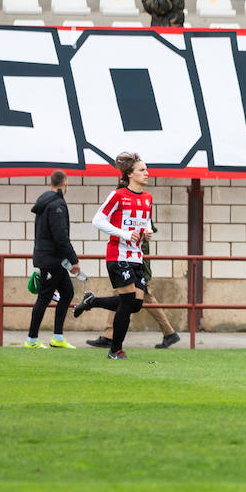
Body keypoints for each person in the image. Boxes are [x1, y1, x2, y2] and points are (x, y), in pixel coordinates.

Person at [73, 152, 156, 360]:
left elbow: (144, 221)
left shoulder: (148, 198)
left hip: (137, 257)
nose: (147, 173)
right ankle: (115, 350)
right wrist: (125, 234)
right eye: (142, 170)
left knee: (136, 304)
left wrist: (147, 232)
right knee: (127, 302)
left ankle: (92, 302)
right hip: (118, 255)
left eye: (146, 169)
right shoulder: (117, 195)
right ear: (129, 174)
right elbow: (98, 220)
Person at [84, 232, 179, 350]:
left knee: (129, 299)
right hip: (133, 266)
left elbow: (140, 247)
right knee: (129, 299)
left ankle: (108, 335)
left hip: (135, 267)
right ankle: (109, 335)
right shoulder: (134, 223)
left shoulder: (139, 225)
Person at [24, 171, 80, 350]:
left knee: (67, 292)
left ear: (51, 183)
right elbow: (60, 236)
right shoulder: (57, 205)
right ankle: (32, 340)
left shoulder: (46, 202)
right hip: (51, 260)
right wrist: (73, 260)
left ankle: (57, 337)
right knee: (44, 297)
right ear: (65, 182)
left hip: (51, 259)